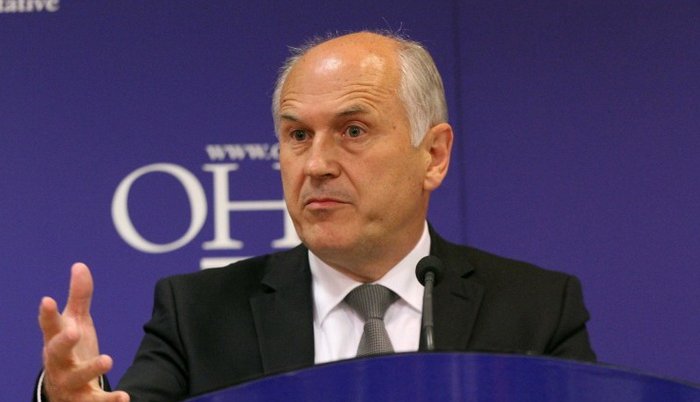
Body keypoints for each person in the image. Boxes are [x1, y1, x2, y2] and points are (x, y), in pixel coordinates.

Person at [36, 31, 596, 402]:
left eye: (353, 130)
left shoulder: (537, 310)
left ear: (433, 155)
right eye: (298, 135)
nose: (317, 164)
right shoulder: (198, 314)